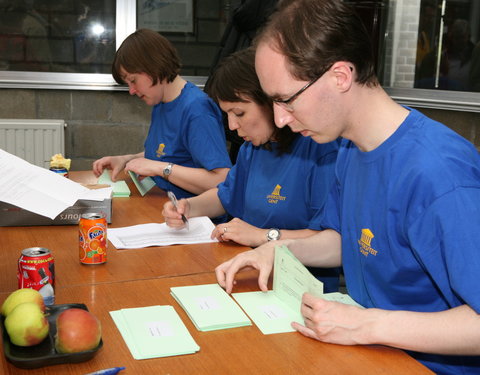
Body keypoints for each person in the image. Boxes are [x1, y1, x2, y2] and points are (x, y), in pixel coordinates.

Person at [214, 1, 480, 374]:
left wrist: (366, 324)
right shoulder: (349, 150)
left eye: (285, 100)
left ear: (340, 76)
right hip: (366, 353)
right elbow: (345, 241)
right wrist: (279, 250)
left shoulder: (438, 173)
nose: (279, 119)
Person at [163, 47, 340, 292]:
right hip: (248, 271)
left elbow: (331, 241)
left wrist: (261, 235)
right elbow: (226, 196)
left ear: (271, 101)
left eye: (239, 113)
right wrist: (189, 207)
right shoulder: (254, 147)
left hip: (298, 286)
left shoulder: (320, 151)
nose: (233, 126)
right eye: (227, 116)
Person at [93, 29, 232, 199]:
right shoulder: (161, 101)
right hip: (162, 203)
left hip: (195, 217)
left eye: (133, 80)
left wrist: (160, 169)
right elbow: (170, 154)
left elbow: (222, 180)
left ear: (152, 67)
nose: (131, 91)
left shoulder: (197, 110)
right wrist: (126, 160)